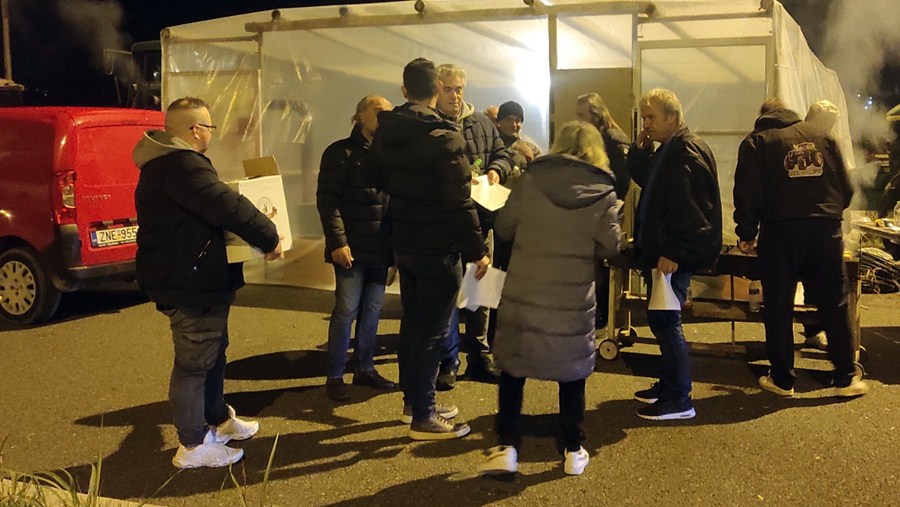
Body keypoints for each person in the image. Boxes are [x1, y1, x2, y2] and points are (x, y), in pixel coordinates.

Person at [133, 97, 283, 469]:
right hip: (189, 281)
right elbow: (225, 204)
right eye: (210, 127)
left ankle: (217, 419)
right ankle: (193, 445)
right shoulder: (181, 165)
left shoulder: (169, 164)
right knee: (194, 364)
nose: (212, 134)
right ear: (196, 130)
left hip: (197, 277)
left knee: (213, 352)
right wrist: (269, 236)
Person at [479, 120, 622, 477]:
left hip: (526, 292)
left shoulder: (530, 180)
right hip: (572, 297)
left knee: (514, 368)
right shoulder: (603, 192)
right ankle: (572, 449)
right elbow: (611, 245)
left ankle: (508, 447)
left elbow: (504, 227)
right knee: (571, 370)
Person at [370, 57, 490, 440]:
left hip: (405, 244)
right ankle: (423, 415)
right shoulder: (445, 137)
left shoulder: (387, 132)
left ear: (404, 90)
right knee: (432, 333)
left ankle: (415, 403)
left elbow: (376, 181)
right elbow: (459, 203)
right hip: (439, 247)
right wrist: (477, 251)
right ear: (436, 89)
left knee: (413, 326)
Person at [733, 100, 869, 398]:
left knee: (779, 305)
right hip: (825, 230)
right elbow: (846, 188)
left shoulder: (757, 142)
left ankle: (783, 380)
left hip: (780, 232)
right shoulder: (823, 136)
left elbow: (747, 193)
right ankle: (846, 377)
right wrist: (828, 213)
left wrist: (746, 233)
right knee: (835, 302)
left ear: (763, 116)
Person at [627, 88, 722, 420]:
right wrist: (640, 152)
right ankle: (669, 386)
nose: (646, 124)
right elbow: (650, 181)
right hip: (666, 251)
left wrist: (675, 251)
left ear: (672, 117)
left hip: (672, 254)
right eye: (644, 117)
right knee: (661, 318)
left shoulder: (684, 152)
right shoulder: (671, 148)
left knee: (666, 321)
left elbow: (691, 209)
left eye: (651, 117)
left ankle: (679, 398)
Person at [434, 63, 513, 386]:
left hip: (482, 219)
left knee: (481, 290)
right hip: (445, 223)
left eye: (459, 89)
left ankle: (479, 356)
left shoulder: (480, 122)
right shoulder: (431, 124)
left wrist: (496, 170)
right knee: (449, 293)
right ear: (436, 89)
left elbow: (503, 154)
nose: (454, 96)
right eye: (448, 89)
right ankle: (448, 359)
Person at [317, 95, 396, 402]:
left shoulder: (390, 155)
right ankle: (335, 376)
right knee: (346, 311)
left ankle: (365, 368)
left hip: (380, 248)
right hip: (352, 248)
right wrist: (338, 242)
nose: (384, 116)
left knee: (373, 311)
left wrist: (394, 251)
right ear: (360, 115)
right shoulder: (340, 153)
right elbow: (328, 201)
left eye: (388, 112)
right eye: (377, 110)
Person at [484, 100, 542, 356]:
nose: (515, 124)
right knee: (491, 281)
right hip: (492, 223)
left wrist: (533, 163)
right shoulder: (491, 148)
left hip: (519, 225)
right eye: (510, 119)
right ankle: (489, 335)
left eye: (518, 120)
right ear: (499, 122)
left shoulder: (530, 149)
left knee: (516, 283)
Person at [575, 92, 631, 331]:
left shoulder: (612, 138)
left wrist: (606, 200)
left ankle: (603, 313)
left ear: (596, 115)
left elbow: (622, 179)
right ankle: (602, 312)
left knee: (603, 263)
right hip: (602, 207)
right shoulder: (604, 136)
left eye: (582, 116)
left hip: (606, 209)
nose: (579, 121)